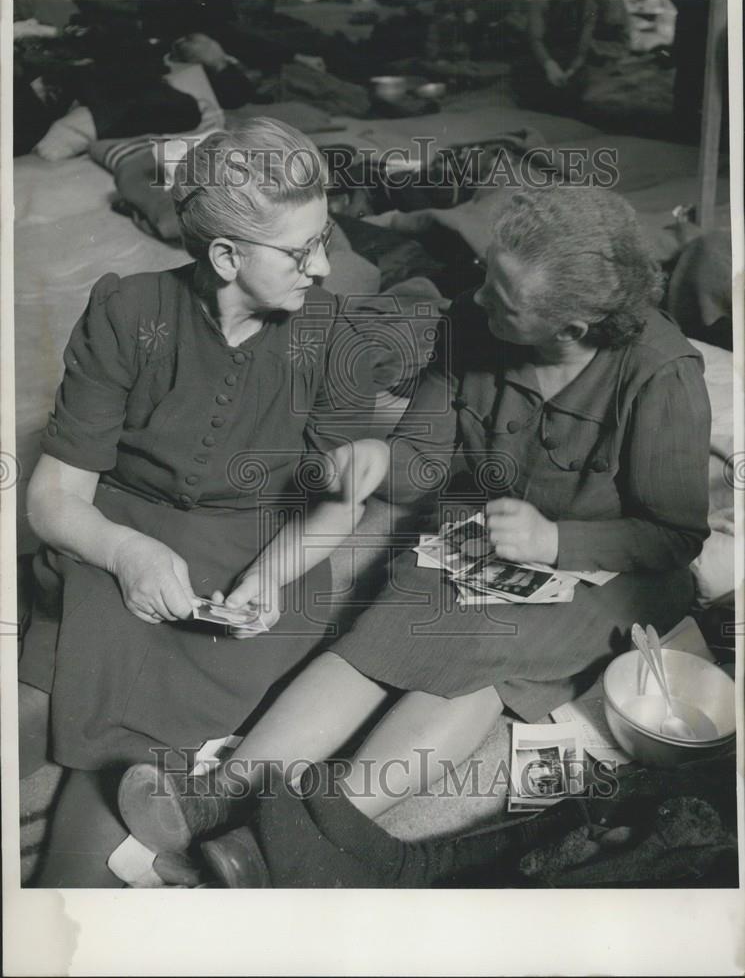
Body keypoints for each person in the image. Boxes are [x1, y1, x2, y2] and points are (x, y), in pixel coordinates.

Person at [118, 184, 712, 867]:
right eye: (487, 273)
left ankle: (290, 838)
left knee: (483, 648)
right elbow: (424, 460)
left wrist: (556, 542)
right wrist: (378, 460)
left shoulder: (660, 375)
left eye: (502, 297)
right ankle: (218, 795)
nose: (477, 297)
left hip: (612, 572)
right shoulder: (468, 322)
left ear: (569, 330)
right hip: (486, 541)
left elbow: (673, 535)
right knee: (396, 615)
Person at [18, 118, 389, 887]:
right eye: (299, 251)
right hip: (123, 526)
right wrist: (127, 553)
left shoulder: (334, 334)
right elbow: (54, 496)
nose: (322, 267)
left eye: (326, 238)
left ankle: (115, 860)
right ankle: (85, 880)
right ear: (224, 255)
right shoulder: (128, 313)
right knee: (106, 642)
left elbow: (335, 510)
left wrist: (268, 579)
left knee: (226, 659)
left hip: (260, 545)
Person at [512, 0, 598, 115]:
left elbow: (581, 52)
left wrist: (571, 70)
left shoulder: (590, 6)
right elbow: (535, 39)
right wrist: (549, 66)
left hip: (567, 59)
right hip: (539, 58)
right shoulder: (541, 2)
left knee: (576, 86)